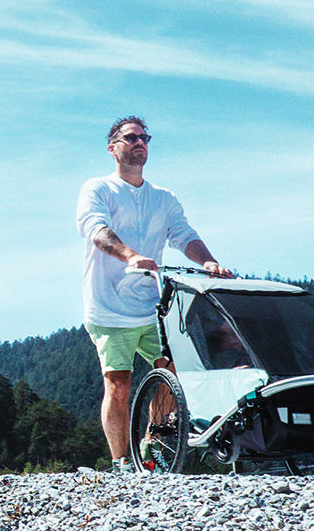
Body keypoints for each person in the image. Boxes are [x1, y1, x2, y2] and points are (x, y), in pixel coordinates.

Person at [74, 116, 231, 471]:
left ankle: (152, 440)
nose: (139, 142)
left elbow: (184, 235)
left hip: (152, 305)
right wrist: (131, 256)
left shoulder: (164, 198)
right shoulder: (98, 188)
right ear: (113, 147)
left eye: (145, 138)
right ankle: (120, 463)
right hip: (108, 306)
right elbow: (95, 230)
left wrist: (208, 262)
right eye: (131, 137)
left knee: (173, 371)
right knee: (119, 384)